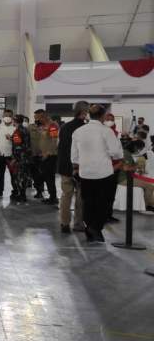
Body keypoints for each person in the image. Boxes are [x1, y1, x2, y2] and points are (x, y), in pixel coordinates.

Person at [71, 104, 123, 243]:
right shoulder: (106, 131)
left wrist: (78, 166)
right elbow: (116, 152)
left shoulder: (78, 131)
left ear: (89, 115)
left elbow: (74, 156)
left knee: (88, 202)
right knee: (103, 202)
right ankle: (96, 228)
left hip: (85, 172)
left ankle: (90, 228)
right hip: (103, 172)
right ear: (103, 116)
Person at [57, 101, 88, 234]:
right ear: (84, 112)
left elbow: (61, 147)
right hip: (80, 167)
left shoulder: (64, 127)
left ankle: (64, 223)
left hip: (65, 166)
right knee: (80, 197)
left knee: (66, 195)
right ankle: (78, 223)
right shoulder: (85, 128)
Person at [32, 109, 59, 204]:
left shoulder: (52, 125)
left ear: (43, 117)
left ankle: (53, 198)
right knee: (46, 176)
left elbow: (54, 140)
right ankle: (52, 196)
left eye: (37, 118)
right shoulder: (43, 126)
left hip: (50, 155)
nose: (36, 120)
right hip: (44, 155)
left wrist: (48, 153)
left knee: (49, 177)